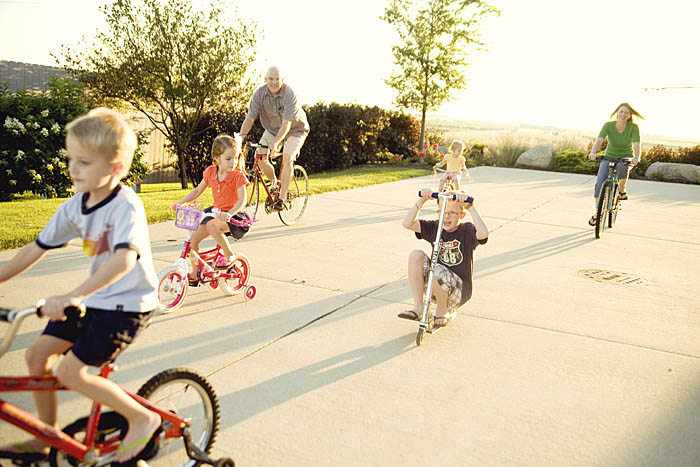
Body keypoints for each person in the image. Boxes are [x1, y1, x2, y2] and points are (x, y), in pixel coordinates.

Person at [0, 108, 161, 464]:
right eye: (71, 158)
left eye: (84, 162)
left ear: (115, 168)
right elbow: (34, 248)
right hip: (96, 300)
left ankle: (142, 418)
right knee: (36, 355)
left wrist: (74, 295)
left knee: (70, 372)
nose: (73, 168)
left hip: (128, 307)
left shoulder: (126, 207)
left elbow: (123, 260)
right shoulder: (76, 206)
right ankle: (46, 437)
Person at [398, 188, 489, 327]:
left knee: (437, 268)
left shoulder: (467, 230)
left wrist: (471, 207)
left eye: (452, 213)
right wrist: (421, 201)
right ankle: (418, 308)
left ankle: (442, 310)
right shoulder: (435, 227)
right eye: (443, 212)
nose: (446, 217)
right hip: (435, 287)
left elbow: (483, 234)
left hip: (458, 292)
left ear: (462, 215)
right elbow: (407, 224)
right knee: (416, 256)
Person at [175, 134, 249, 286]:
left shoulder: (238, 176)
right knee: (193, 240)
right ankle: (195, 273)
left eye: (235, 158)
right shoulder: (210, 172)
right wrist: (182, 202)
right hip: (216, 213)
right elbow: (197, 191)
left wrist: (230, 213)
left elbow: (242, 200)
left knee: (212, 225)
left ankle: (229, 255)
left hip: (234, 217)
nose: (233, 162)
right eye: (228, 159)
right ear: (217, 159)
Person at [238, 66, 310, 211]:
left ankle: (281, 200)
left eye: (277, 79)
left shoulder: (289, 93)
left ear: (282, 80)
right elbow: (250, 119)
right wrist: (240, 139)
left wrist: (276, 143)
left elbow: (287, 124)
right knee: (259, 157)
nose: (274, 82)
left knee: (287, 157)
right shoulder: (259, 95)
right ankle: (274, 183)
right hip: (272, 129)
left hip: (295, 130)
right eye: (271, 79)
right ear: (266, 80)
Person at [587, 102, 643, 226]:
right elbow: (600, 140)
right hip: (609, 156)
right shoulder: (608, 125)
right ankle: (597, 213)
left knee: (623, 166)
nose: (623, 114)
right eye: (621, 111)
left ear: (629, 115)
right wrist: (593, 152)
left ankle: (622, 190)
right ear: (617, 113)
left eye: (626, 112)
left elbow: (636, 144)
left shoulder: (633, 127)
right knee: (599, 184)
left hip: (625, 156)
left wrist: (636, 157)